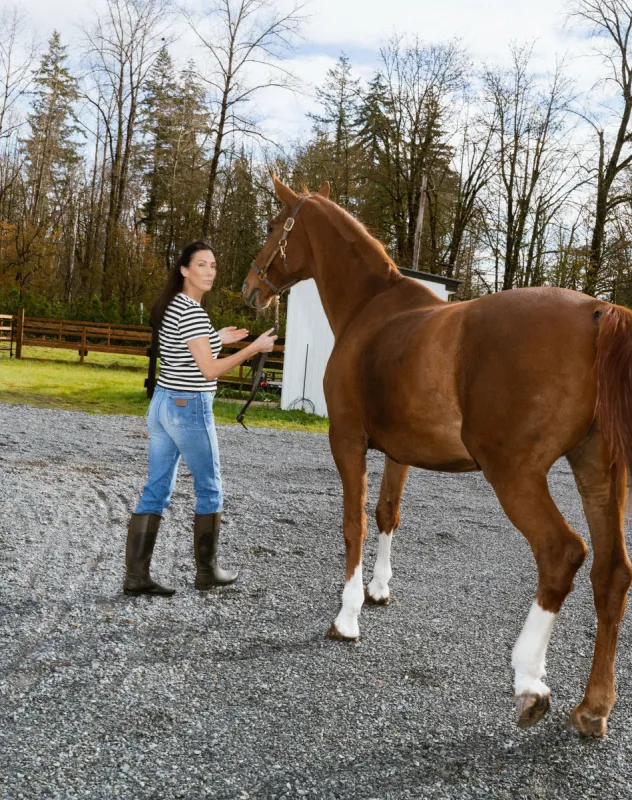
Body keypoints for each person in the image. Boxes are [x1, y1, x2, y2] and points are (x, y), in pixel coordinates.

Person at [123, 240, 277, 597]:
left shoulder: (173, 306)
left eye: (213, 266)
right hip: (188, 409)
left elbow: (186, 352)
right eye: (202, 265)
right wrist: (252, 349)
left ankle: (136, 578)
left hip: (162, 405)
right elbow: (207, 370)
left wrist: (216, 336)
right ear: (184, 270)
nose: (210, 272)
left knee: (156, 489)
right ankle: (207, 572)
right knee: (210, 488)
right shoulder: (193, 312)